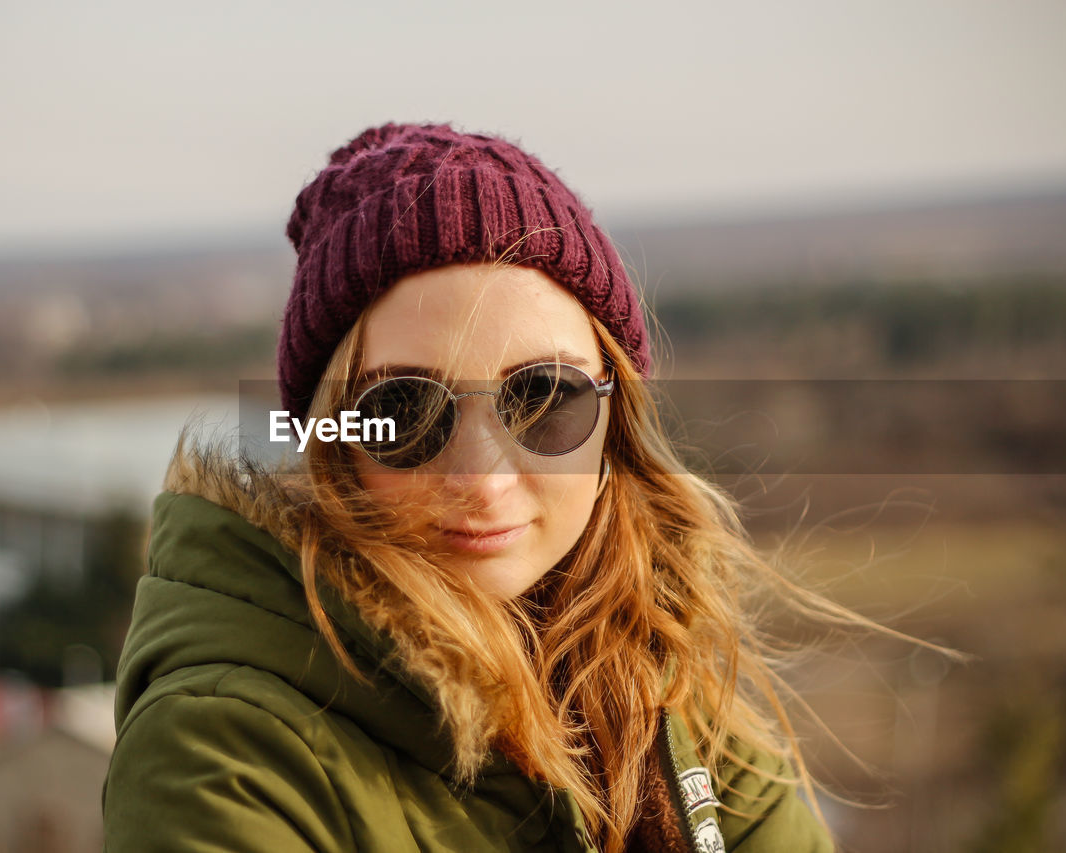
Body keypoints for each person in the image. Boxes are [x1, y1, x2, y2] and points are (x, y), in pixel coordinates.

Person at [102, 123, 836, 852]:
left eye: (546, 396)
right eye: (406, 411)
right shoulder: (224, 753)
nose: (483, 479)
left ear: (615, 415)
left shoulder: (663, 688)